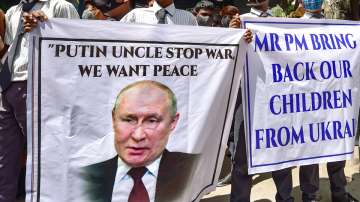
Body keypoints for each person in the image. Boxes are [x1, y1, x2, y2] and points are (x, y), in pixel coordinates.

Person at [0, 1, 79, 201]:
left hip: (37, 83)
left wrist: (48, 27)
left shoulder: (60, 6)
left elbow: (78, 44)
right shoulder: (12, 11)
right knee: (5, 159)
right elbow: (10, 48)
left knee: (43, 157)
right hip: (6, 85)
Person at [80, 80, 199, 202]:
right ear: (113, 118)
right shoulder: (83, 178)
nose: (138, 135)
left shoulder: (196, 170)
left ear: (173, 122)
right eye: (128, 119)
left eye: (152, 121)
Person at [229, 1, 295, 202]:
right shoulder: (238, 22)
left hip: (276, 98)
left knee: (280, 149)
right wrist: (233, 37)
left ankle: (285, 197)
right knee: (242, 154)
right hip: (246, 97)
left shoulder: (280, 23)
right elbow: (226, 59)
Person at [299, 1, 358, 202]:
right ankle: (310, 196)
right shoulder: (290, 29)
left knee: (336, 146)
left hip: (333, 100)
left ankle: (339, 194)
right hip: (307, 102)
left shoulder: (336, 29)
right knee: (310, 152)